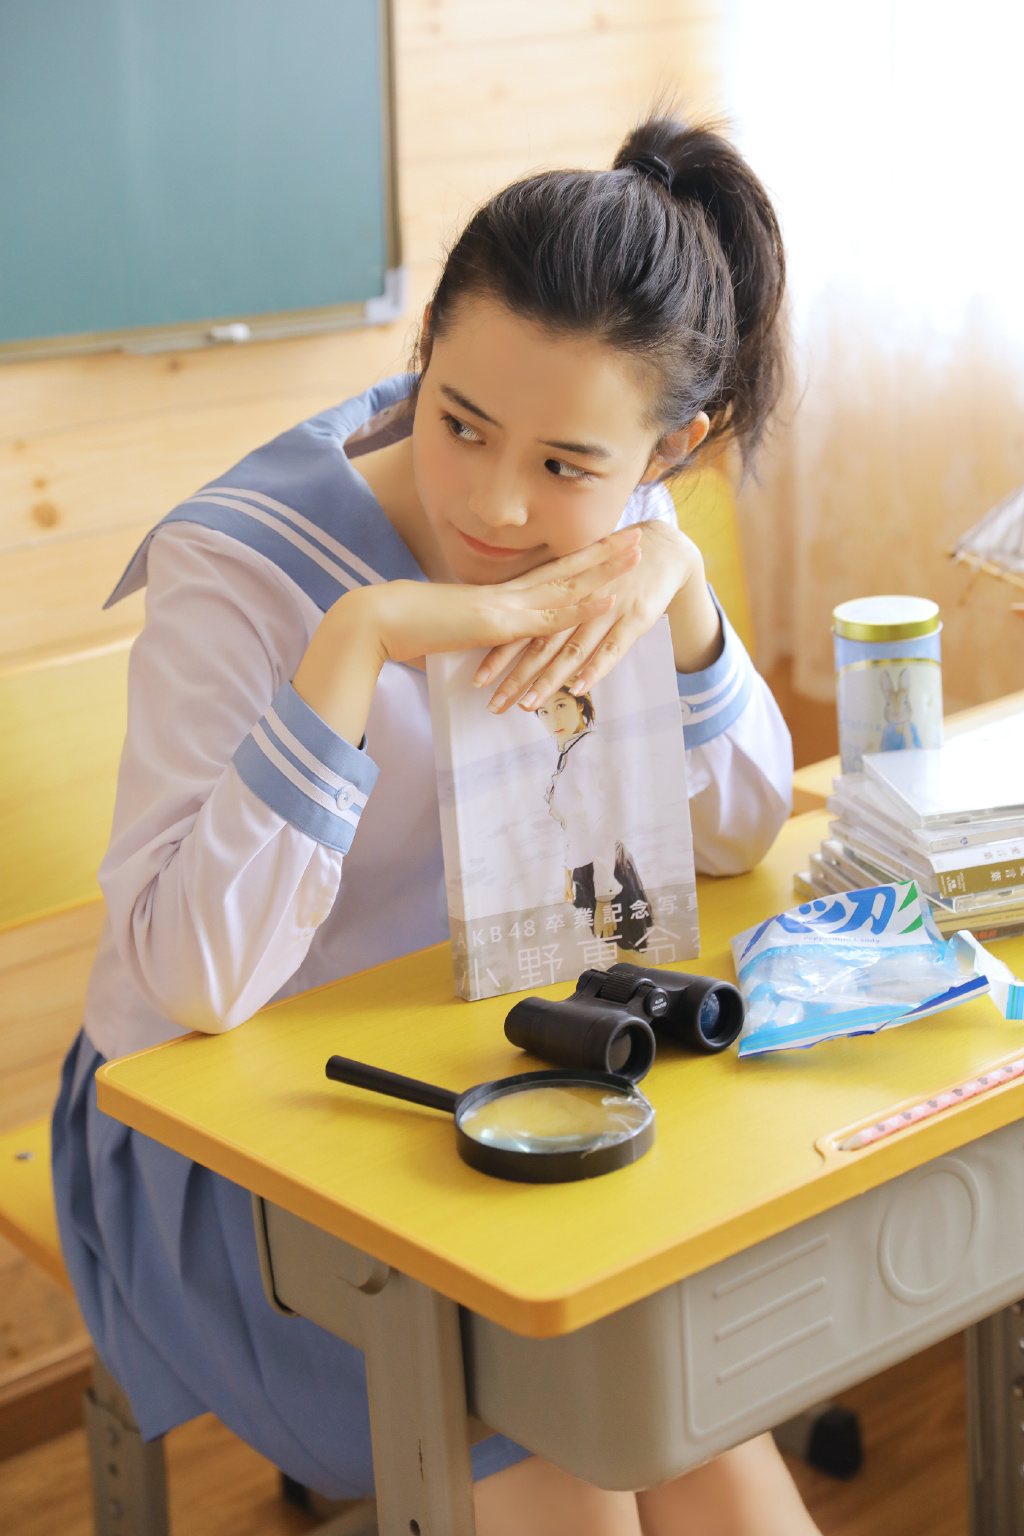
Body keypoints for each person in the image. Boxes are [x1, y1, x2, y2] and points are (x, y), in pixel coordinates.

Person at [52, 113, 815, 1535]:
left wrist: (678, 582)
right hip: (227, 1158)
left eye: (573, 466)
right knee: (582, 1471)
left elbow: (739, 833)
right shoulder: (240, 565)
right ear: (421, 355)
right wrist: (364, 637)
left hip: (496, 1095)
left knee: (699, 1441)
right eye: (458, 421)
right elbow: (192, 981)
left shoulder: (625, 540)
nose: (497, 502)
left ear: (674, 447)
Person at [534, 687, 655, 952]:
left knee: (629, 958)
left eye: (560, 706)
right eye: (543, 711)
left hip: (605, 872)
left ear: (579, 703)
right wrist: (569, 872)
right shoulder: (570, 752)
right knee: (612, 958)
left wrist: (603, 899)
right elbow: (574, 824)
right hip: (589, 871)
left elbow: (601, 824)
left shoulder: (587, 751)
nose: (552, 719)